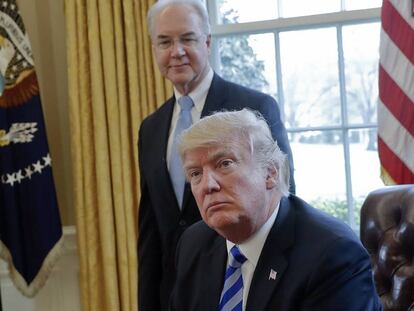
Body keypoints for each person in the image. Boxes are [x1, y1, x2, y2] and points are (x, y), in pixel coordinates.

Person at [138, 1, 296, 310]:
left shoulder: (254, 108)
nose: (176, 51)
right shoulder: (151, 128)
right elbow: (150, 230)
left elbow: (283, 197)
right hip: (180, 294)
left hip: (246, 284)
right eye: (165, 42)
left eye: (187, 38)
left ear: (207, 42)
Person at [170, 109, 382, 310]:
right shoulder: (194, 244)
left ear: (270, 173)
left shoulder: (331, 254)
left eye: (225, 164)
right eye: (196, 173)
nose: (208, 185)